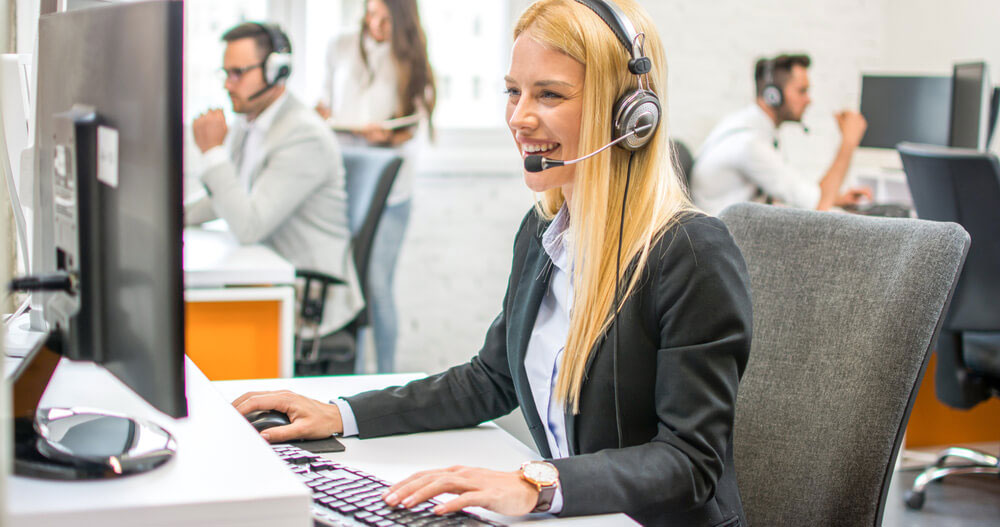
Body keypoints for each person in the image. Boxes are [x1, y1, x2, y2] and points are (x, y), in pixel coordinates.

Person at [234, 1, 752, 524]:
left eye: (548, 94)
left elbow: (690, 462)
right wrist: (340, 414)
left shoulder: (689, 252)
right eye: (513, 91)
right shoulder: (543, 233)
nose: (519, 117)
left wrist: (536, 486)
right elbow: (490, 378)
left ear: (630, 115)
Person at [186, 22, 362, 336]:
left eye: (238, 73)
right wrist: (172, 214)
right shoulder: (249, 123)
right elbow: (228, 200)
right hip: (269, 282)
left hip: (306, 303)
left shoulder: (303, 134)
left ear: (277, 71)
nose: (228, 84)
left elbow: (248, 227)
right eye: (225, 73)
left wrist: (213, 152)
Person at [315, 0, 436, 373]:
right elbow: (323, 106)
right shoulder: (341, 46)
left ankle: (384, 376)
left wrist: (383, 135)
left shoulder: (410, 57)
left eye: (385, 18)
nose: (376, 24)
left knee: (376, 286)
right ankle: (350, 372)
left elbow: (411, 125)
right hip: (343, 185)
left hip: (390, 192)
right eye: (371, 15)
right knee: (344, 286)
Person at [690, 53, 872, 216]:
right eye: (802, 91)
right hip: (729, 242)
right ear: (773, 96)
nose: (808, 100)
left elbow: (806, 199)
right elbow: (819, 210)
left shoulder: (749, 127)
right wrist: (848, 142)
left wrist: (837, 199)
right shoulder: (749, 145)